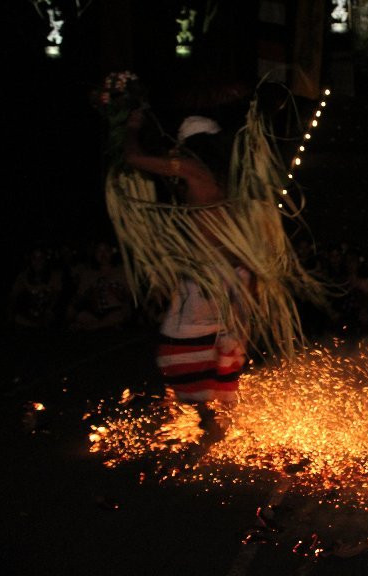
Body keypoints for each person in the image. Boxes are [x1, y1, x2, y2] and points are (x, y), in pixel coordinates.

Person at [122, 109, 249, 440]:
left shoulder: (194, 171)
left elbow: (134, 157)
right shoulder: (219, 177)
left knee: (175, 349)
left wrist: (132, 125)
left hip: (212, 279)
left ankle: (210, 419)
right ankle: (216, 416)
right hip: (228, 276)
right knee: (211, 345)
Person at [65, 239, 132, 331]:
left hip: (115, 310)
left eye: (106, 251)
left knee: (118, 316)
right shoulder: (88, 274)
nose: (103, 255)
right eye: (99, 251)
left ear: (111, 252)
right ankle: (103, 325)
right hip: (95, 313)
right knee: (81, 316)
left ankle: (94, 326)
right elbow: (80, 296)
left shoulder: (122, 271)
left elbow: (129, 295)